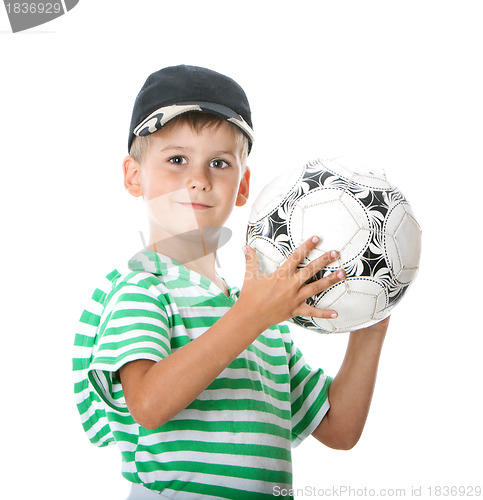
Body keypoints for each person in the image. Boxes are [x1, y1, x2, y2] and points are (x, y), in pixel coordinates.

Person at [73, 64, 390, 500]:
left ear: (242, 186)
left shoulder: (260, 315)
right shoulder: (143, 287)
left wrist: (372, 319)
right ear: (134, 175)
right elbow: (147, 404)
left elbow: (340, 428)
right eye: (177, 159)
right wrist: (251, 317)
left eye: (219, 163)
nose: (199, 180)